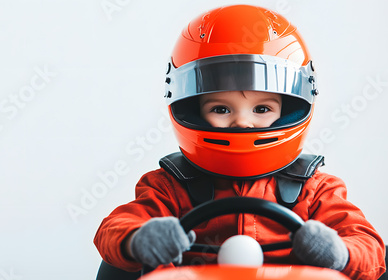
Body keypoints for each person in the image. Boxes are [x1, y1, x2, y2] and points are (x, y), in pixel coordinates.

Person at [94, 4, 386, 280]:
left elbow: (371, 250)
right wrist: (139, 239)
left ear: (290, 110)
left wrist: (337, 253)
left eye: (261, 109)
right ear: (192, 110)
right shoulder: (169, 187)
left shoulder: (317, 189)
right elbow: (112, 230)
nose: (242, 122)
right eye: (221, 109)